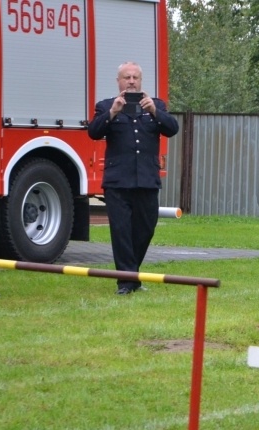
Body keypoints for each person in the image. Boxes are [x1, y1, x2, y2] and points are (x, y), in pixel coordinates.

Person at [88, 62, 179, 295]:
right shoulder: (106, 105)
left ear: (141, 81)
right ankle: (126, 282)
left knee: (145, 229)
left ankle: (132, 275)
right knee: (121, 232)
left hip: (147, 180)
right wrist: (113, 112)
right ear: (118, 81)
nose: (131, 81)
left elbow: (172, 128)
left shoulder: (155, 105)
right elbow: (94, 132)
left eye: (135, 77)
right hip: (118, 182)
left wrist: (154, 112)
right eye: (126, 77)